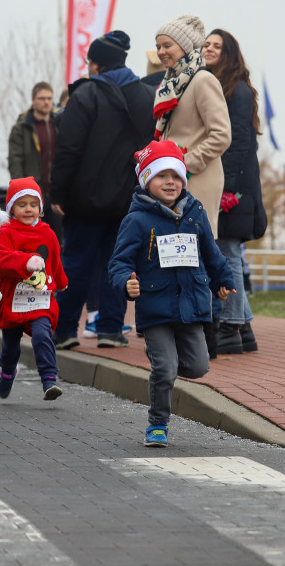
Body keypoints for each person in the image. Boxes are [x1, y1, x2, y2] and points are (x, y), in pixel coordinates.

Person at [109, 140, 234, 447]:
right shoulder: (136, 220)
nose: (170, 182)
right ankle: (157, 424)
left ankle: (166, 364)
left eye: (176, 176)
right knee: (165, 369)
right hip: (156, 308)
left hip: (192, 305)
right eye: (162, 175)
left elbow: (211, 251)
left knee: (198, 367)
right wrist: (126, 281)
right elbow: (118, 262)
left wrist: (223, 277)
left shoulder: (195, 212)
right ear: (146, 180)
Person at [49, 31, 157, 349]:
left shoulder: (84, 96)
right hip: (129, 199)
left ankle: (66, 330)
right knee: (119, 262)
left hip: (86, 199)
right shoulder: (147, 96)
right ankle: (111, 329)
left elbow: (68, 150)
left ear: (96, 65)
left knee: (77, 263)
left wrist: (58, 193)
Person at [202, 28, 266, 355]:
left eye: (216, 45)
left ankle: (229, 326)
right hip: (229, 185)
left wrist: (227, 189)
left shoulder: (237, 90)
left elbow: (239, 143)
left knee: (226, 254)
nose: (209, 48)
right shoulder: (214, 84)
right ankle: (245, 328)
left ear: (228, 53)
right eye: (206, 44)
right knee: (225, 255)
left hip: (233, 189)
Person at [153, 15, 231, 233]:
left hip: (197, 179)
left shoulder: (202, 80)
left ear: (186, 48)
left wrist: (184, 164)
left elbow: (221, 135)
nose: (161, 52)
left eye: (167, 45)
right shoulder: (172, 83)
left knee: (196, 253)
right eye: (158, 46)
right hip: (174, 180)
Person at [0, 177, 68, 400]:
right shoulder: (6, 232)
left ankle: (49, 380)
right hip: (13, 299)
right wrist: (25, 262)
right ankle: (7, 373)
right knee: (10, 348)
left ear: (40, 208)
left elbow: (55, 260)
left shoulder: (48, 233)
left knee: (43, 334)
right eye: (22, 204)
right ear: (12, 208)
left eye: (33, 205)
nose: (28, 209)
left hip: (40, 297)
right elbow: (1, 259)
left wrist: (62, 281)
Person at [8, 81, 62, 238]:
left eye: (49, 98)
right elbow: (15, 162)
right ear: (33, 101)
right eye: (42, 98)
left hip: (56, 194)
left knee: (58, 241)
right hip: (32, 196)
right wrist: (22, 194)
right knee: (33, 241)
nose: (46, 102)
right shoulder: (21, 128)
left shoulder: (58, 125)